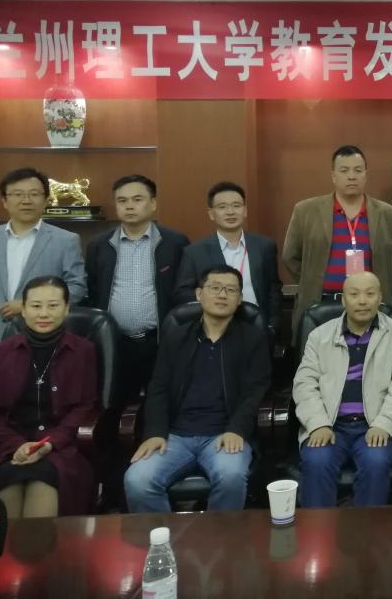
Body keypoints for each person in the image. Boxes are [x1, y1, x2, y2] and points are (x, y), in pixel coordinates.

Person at [124, 266, 271, 513]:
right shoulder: (177, 336)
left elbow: (255, 391)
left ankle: (218, 538)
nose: (222, 295)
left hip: (224, 435)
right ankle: (163, 538)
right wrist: (155, 432)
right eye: (215, 288)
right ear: (199, 294)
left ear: (239, 299)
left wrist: (237, 429)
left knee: (231, 476)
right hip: (175, 436)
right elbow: (158, 387)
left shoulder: (252, 338)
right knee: (137, 480)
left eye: (230, 290)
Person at [294, 271, 392, 507]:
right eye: (354, 294)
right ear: (343, 299)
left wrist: (384, 423)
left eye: (370, 294)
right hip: (331, 425)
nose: (362, 301)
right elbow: (304, 383)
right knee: (317, 461)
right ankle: (319, 529)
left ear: (380, 297)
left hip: (374, 424)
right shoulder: (320, 335)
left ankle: (366, 530)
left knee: (375, 462)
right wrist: (318, 423)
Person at [0, 276, 97, 517]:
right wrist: (15, 445)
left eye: (53, 306)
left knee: (45, 480)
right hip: (6, 447)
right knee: (6, 479)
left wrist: (50, 444)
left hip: (60, 449)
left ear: (66, 309)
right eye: (35, 306)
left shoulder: (83, 351)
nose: (44, 314)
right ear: (23, 309)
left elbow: (85, 406)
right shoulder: (0, 352)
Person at [283, 145, 392, 342]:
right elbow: (290, 256)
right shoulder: (306, 211)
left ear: (366, 175)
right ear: (333, 176)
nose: (351, 176)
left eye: (358, 170)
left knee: (371, 360)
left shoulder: (388, 214)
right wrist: (313, 278)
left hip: (371, 307)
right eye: (344, 170)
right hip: (320, 306)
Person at [84, 174, 190, 404]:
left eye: (137, 199)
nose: (129, 206)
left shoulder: (175, 242)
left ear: (153, 203)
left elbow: (183, 291)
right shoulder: (98, 245)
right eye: (122, 201)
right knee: (111, 405)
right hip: (113, 341)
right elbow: (92, 290)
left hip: (159, 341)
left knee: (159, 405)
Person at [0, 168, 86, 367]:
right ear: (4, 201)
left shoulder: (66, 241)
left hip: (43, 340)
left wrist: (29, 305)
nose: (26, 200)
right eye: (17, 194)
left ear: (46, 200)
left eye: (34, 194)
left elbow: (77, 288)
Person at [175, 181, 282, 337]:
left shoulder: (264, 246)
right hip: (214, 329)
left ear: (245, 211)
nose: (230, 212)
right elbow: (182, 293)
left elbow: (273, 288)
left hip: (256, 327)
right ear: (211, 214)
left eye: (236, 206)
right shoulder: (194, 252)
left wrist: (272, 325)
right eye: (222, 207)